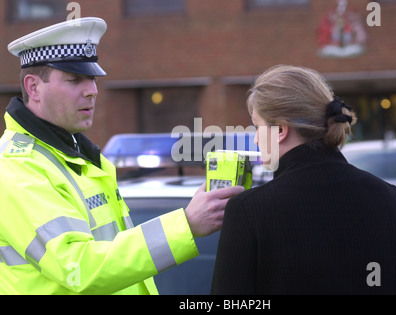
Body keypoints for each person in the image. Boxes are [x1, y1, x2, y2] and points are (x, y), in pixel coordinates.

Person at [0, 17, 243, 295]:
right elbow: (80, 268)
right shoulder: (17, 168)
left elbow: (115, 256)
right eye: (74, 80)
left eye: (92, 78)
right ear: (33, 88)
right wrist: (185, 224)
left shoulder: (82, 157)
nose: (91, 90)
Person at [211, 65, 396, 295]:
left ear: (280, 130)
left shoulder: (249, 211)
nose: (256, 140)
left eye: (258, 126)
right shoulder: (391, 199)